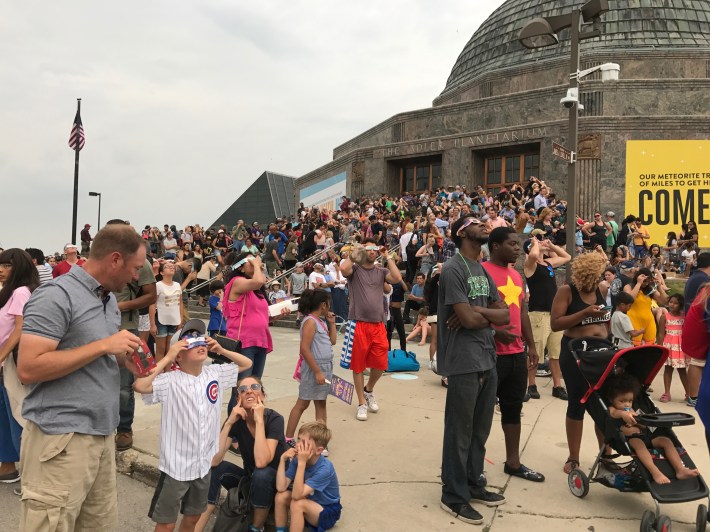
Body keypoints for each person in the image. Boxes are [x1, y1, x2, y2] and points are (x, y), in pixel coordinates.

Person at [17, 224, 147, 530]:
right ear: (115, 259)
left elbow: (89, 354)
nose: (135, 278)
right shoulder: (56, 296)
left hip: (101, 435)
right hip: (61, 439)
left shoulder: (109, 300)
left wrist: (121, 357)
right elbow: (28, 368)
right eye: (135, 268)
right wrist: (103, 345)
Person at [134, 320, 251, 532]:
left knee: (193, 516)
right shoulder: (170, 380)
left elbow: (245, 364)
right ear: (179, 354)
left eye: (201, 337)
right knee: (167, 522)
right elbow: (141, 385)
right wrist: (167, 357)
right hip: (176, 467)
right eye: (190, 339)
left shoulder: (214, 374)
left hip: (203, 464)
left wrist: (222, 349)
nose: (199, 342)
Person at [438, 215, 510, 524]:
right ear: (461, 232)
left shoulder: (481, 269)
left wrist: (479, 309)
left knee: (479, 432)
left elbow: (505, 314)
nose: (484, 224)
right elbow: (465, 322)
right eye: (476, 222)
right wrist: (486, 315)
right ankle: (453, 495)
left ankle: (472, 483)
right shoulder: (453, 269)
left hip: (486, 357)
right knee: (459, 432)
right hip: (463, 361)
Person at [482, 227, 544, 483]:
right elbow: (472, 312)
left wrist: (531, 344)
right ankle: (475, 464)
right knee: (482, 412)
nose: (518, 249)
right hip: (489, 354)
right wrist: (495, 334)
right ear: (495, 246)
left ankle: (513, 462)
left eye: (519, 245)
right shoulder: (482, 272)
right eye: (512, 244)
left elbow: (522, 310)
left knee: (512, 409)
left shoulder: (516, 275)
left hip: (516, 354)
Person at [196, 376, 288, 532]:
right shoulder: (236, 420)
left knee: (262, 473)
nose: (249, 391)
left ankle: (256, 527)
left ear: (263, 395)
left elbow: (261, 461)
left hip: (277, 484)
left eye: (255, 387)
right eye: (243, 390)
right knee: (215, 470)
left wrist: (259, 421)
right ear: (238, 398)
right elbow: (213, 460)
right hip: (251, 481)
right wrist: (229, 422)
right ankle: (198, 524)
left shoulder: (274, 419)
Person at [550, 252, 611, 474]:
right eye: (595, 276)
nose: (599, 280)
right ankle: (573, 457)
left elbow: (606, 318)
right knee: (577, 403)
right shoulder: (567, 291)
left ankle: (606, 455)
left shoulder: (601, 289)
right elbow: (556, 324)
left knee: (605, 405)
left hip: (602, 351)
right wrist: (584, 312)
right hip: (576, 352)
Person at [339, 238, 402, 421]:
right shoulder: (355, 270)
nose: (372, 251)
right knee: (358, 365)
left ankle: (369, 390)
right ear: (363, 252)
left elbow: (397, 278)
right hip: (358, 323)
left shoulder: (381, 271)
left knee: (381, 364)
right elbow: (343, 269)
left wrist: (387, 256)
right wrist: (355, 252)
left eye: (375, 249)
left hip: (378, 324)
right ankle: (361, 403)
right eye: (369, 249)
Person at [111, 219, 158, 452]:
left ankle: (124, 429)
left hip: (124, 327)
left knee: (123, 384)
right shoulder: (99, 260)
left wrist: (121, 306)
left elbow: (151, 296)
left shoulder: (142, 263)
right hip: (98, 327)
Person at [605, 372, 699, 484]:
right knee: (639, 445)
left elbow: (643, 426)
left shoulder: (632, 410)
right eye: (622, 401)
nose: (627, 405)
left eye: (630, 401)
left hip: (646, 436)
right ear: (612, 400)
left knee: (666, 441)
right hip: (631, 440)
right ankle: (655, 472)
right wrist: (623, 415)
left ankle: (680, 469)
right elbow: (615, 414)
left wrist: (639, 421)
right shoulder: (613, 409)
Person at [0, 249, 39, 484]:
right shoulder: (8, 292)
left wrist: (1, 356)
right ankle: (7, 465)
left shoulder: (22, 292)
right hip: (4, 363)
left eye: (6, 266)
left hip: (11, 363)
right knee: (4, 415)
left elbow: (20, 328)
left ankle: (30, 475)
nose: (1, 270)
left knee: (17, 415)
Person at [285, 290, 337, 450]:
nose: (329, 306)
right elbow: (305, 349)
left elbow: (333, 341)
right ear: (323, 305)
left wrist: (332, 323)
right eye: (328, 303)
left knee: (321, 403)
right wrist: (317, 372)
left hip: (324, 367)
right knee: (302, 403)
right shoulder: (310, 322)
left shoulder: (320, 321)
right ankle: (287, 439)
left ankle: (320, 441)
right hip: (314, 368)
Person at [523, 236, 571, 401]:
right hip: (538, 314)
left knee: (555, 354)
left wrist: (551, 245)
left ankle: (557, 386)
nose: (541, 243)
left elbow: (567, 257)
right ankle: (531, 384)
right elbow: (533, 256)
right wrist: (535, 244)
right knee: (534, 352)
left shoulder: (548, 263)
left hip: (554, 315)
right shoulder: (530, 265)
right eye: (537, 244)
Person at [275, 421, 342, 532]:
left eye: (304, 443)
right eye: (298, 439)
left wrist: (302, 463)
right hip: (308, 500)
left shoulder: (325, 469)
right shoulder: (297, 460)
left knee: (298, 504)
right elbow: (281, 487)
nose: (298, 445)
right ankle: (280, 530)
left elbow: (296, 496)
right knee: (280, 496)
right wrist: (282, 459)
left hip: (327, 511)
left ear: (319, 450)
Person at [683, 252, 710, 407]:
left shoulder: (695, 277)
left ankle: (693, 395)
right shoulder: (704, 280)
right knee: (697, 362)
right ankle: (693, 396)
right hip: (699, 325)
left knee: (696, 362)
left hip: (694, 322)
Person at [656, 293, 690, 403]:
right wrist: (661, 349)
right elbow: (661, 334)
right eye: (671, 302)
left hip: (680, 348)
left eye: (676, 303)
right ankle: (667, 393)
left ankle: (689, 393)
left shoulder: (684, 316)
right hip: (669, 347)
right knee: (668, 369)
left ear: (680, 305)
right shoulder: (664, 317)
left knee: (682, 370)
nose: (672, 305)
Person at [623, 267, 668, 345]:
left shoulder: (650, 289)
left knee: (650, 345)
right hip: (633, 320)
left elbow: (664, 301)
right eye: (645, 281)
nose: (646, 283)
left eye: (648, 281)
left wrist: (659, 287)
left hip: (649, 321)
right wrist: (639, 283)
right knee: (635, 347)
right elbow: (629, 299)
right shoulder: (629, 286)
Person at [151, 261, 184, 361]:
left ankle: (168, 373)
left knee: (170, 350)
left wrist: (181, 319)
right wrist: (152, 324)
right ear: (161, 273)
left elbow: (180, 303)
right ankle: (159, 375)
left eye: (172, 266)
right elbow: (152, 304)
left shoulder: (177, 285)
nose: (171, 267)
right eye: (167, 267)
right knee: (161, 350)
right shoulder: (158, 285)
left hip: (174, 320)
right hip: (161, 320)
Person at [387, 279, 408, 352]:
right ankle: (388, 352)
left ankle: (403, 351)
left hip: (397, 311)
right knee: (388, 333)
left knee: (401, 332)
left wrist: (400, 279)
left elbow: (406, 288)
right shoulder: (388, 282)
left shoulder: (399, 283)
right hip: (390, 310)